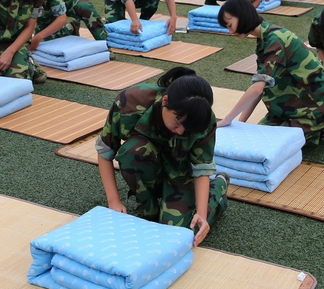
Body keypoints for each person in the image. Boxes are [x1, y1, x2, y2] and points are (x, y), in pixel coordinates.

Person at [96, 67, 227, 247]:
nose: (181, 131)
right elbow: (105, 151)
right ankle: (150, 209)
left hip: (181, 176)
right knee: (132, 152)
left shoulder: (202, 119)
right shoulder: (131, 102)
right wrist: (114, 202)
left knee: (182, 235)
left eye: (188, 129)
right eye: (178, 122)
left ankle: (219, 185)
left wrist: (202, 214)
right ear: (165, 101)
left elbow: (201, 168)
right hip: (148, 168)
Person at [216, 0, 324, 149]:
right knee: (259, 136)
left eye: (230, 25)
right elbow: (260, 88)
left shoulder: (274, 40)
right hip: (294, 104)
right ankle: (312, 129)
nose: (230, 32)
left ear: (242, 16)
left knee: (274, 145)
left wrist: (227, 119)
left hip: (317, 104)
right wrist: (239, 124)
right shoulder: (265, 38)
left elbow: (257, 88)